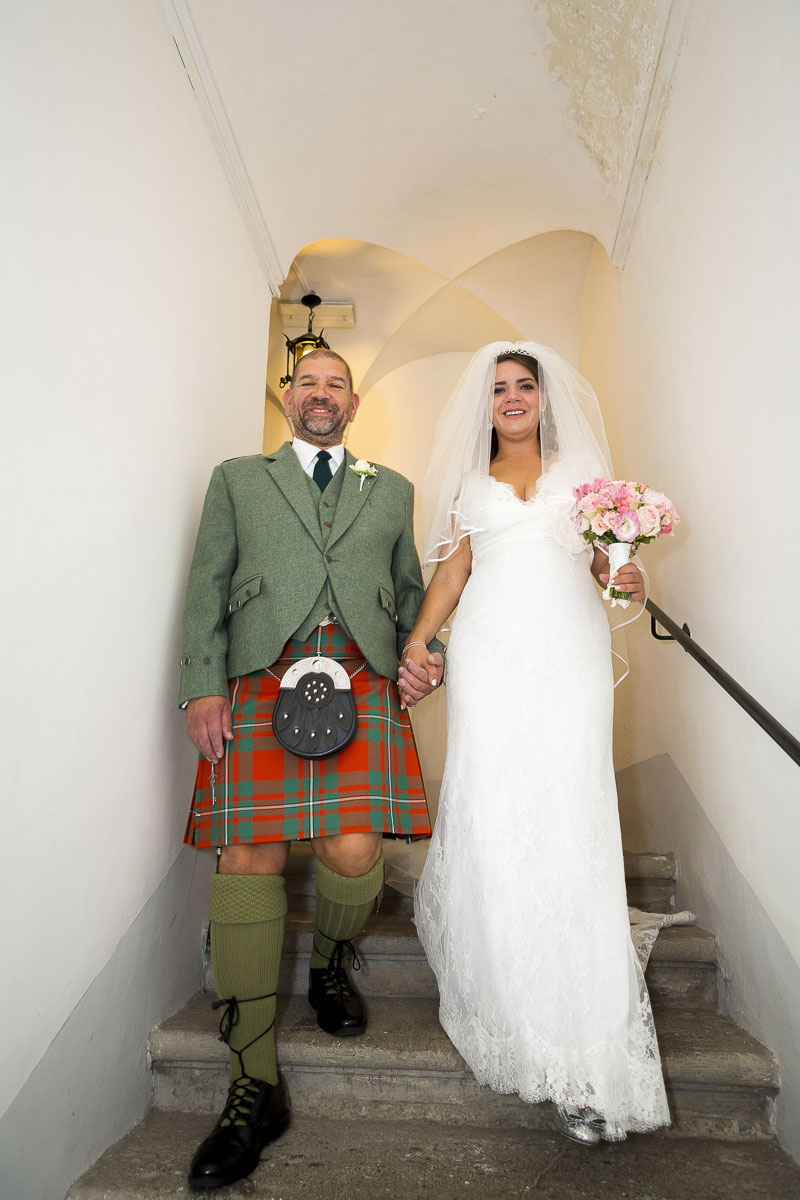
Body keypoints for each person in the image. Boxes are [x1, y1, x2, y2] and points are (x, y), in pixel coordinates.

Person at [179, 347, 443, 1188]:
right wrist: (199, 688)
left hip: (358, 678)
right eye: (307, 383)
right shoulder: (238, 479)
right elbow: (206, 584)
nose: (319, 394)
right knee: (247, 856)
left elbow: (411, 595)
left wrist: (423, 653)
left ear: (353, 402)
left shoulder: (392, 489)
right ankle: (252, 1082)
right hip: (258, 677)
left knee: (355, 852)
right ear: (287, 399)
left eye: (335, 384)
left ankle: (330, 960)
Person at [402, 341, 670, 1144]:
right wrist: (421, 645)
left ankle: (586, 1036)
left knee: (569, 814)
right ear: (482, 407)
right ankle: (513, 996)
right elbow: (452, 574)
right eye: (498, 389)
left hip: (569, 659)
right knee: (496, 807)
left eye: (524, 385)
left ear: (545, 398)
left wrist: (631, 574)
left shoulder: (586, 477)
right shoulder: (470, 486)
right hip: (489, 658)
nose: (512, 398)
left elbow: (611, 569)